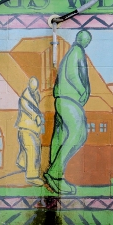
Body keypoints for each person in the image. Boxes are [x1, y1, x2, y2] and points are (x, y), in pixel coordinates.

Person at [44, 30, 92, 195]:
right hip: (69, 98)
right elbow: (72, 73)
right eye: (87, 39)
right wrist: (81, 91)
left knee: (60, 135)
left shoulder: (73, 51)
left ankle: (54, 172)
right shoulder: (77, 51)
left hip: (62, 98)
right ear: (81, 39)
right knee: (78, 134)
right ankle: (54, 173)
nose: (87, 41)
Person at [15, 77, 44, 186]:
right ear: (29, 85)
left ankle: (22, 162)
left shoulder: (36, 95)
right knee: (33, 150)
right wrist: (36, 116)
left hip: (31, 129)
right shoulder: (24, 98)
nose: (34, 90)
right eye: (32, 88)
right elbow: (29, 109)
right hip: (26, 128)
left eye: (35, 88)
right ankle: (32, 176)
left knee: (28, 147)